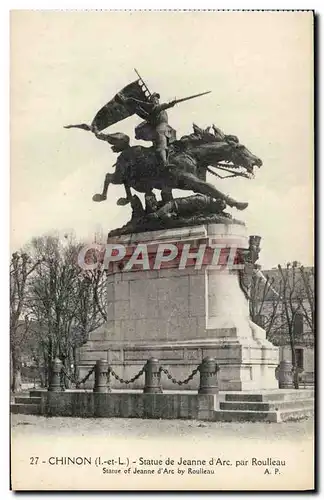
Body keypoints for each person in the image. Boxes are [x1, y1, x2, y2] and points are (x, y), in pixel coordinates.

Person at [117, 92, 176, 167]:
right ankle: (164, 163)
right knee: (162, 143)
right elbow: (162, 106)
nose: (156, 100)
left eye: (157, 98)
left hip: (167, 128)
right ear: (152, 100)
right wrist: (170, 104)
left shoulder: (159, 109)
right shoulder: (153, 107)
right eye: (155, 98)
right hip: (160, 129)